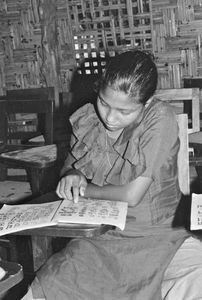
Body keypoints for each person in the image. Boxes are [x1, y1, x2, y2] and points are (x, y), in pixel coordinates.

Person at [22, 50, 202, 300]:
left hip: (158, 234)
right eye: (104, 103)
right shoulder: (89, 118)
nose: (109, 117)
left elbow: (132, 195)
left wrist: (83, 189)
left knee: (196, 278)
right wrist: (72, 175)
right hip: (104, 234)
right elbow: (70, 167)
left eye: (124, 111)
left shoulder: (159, 118)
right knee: (50, 283)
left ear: (146, 103)